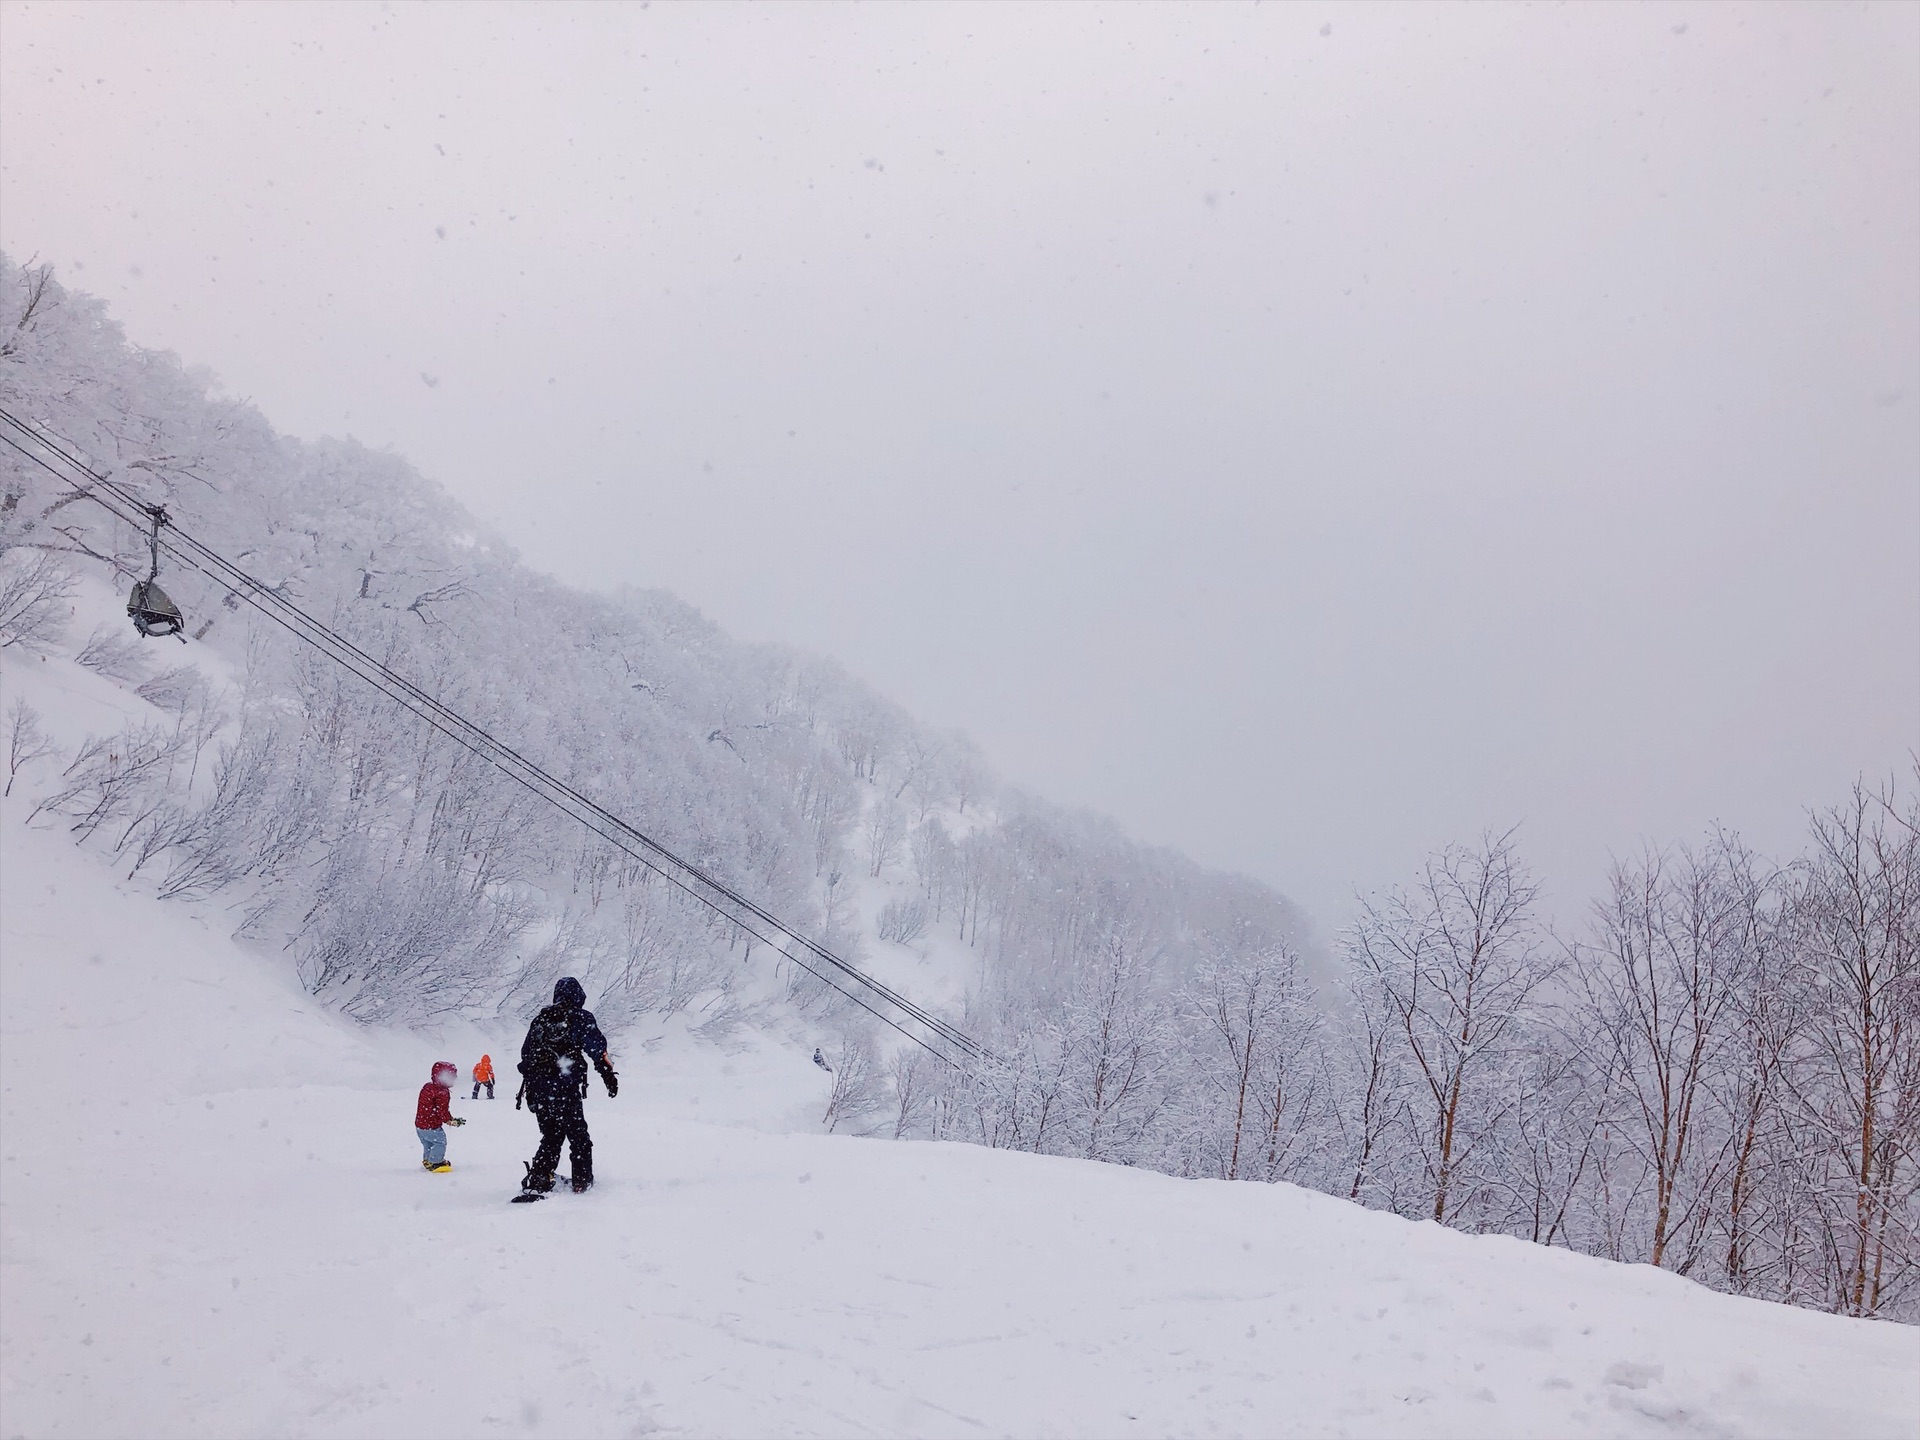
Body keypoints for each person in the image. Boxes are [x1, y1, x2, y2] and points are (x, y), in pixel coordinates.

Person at [515, 977, 617, 1196]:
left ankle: (540, 1177)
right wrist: (608, 1076)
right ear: (579, 996)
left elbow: (526, 1055)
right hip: (564, 1088)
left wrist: (535, 1088)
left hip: (539, 1090)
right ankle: (582, 1182)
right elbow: (597, 1049)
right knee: (578, 1137)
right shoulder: (580, 1017)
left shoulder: (540, 1020)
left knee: (552, 1135)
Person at [414, 1060, 466, 1173]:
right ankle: (435, 1162)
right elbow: (442, 1111)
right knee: (439, 1142)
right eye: (451, 1076)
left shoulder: (428, 1086)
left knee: (428, 1143)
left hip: (420, 1125)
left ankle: (428, 1160)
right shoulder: (442, 1092)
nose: (454, 1079)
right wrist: (450, 1121)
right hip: (431, 1125)